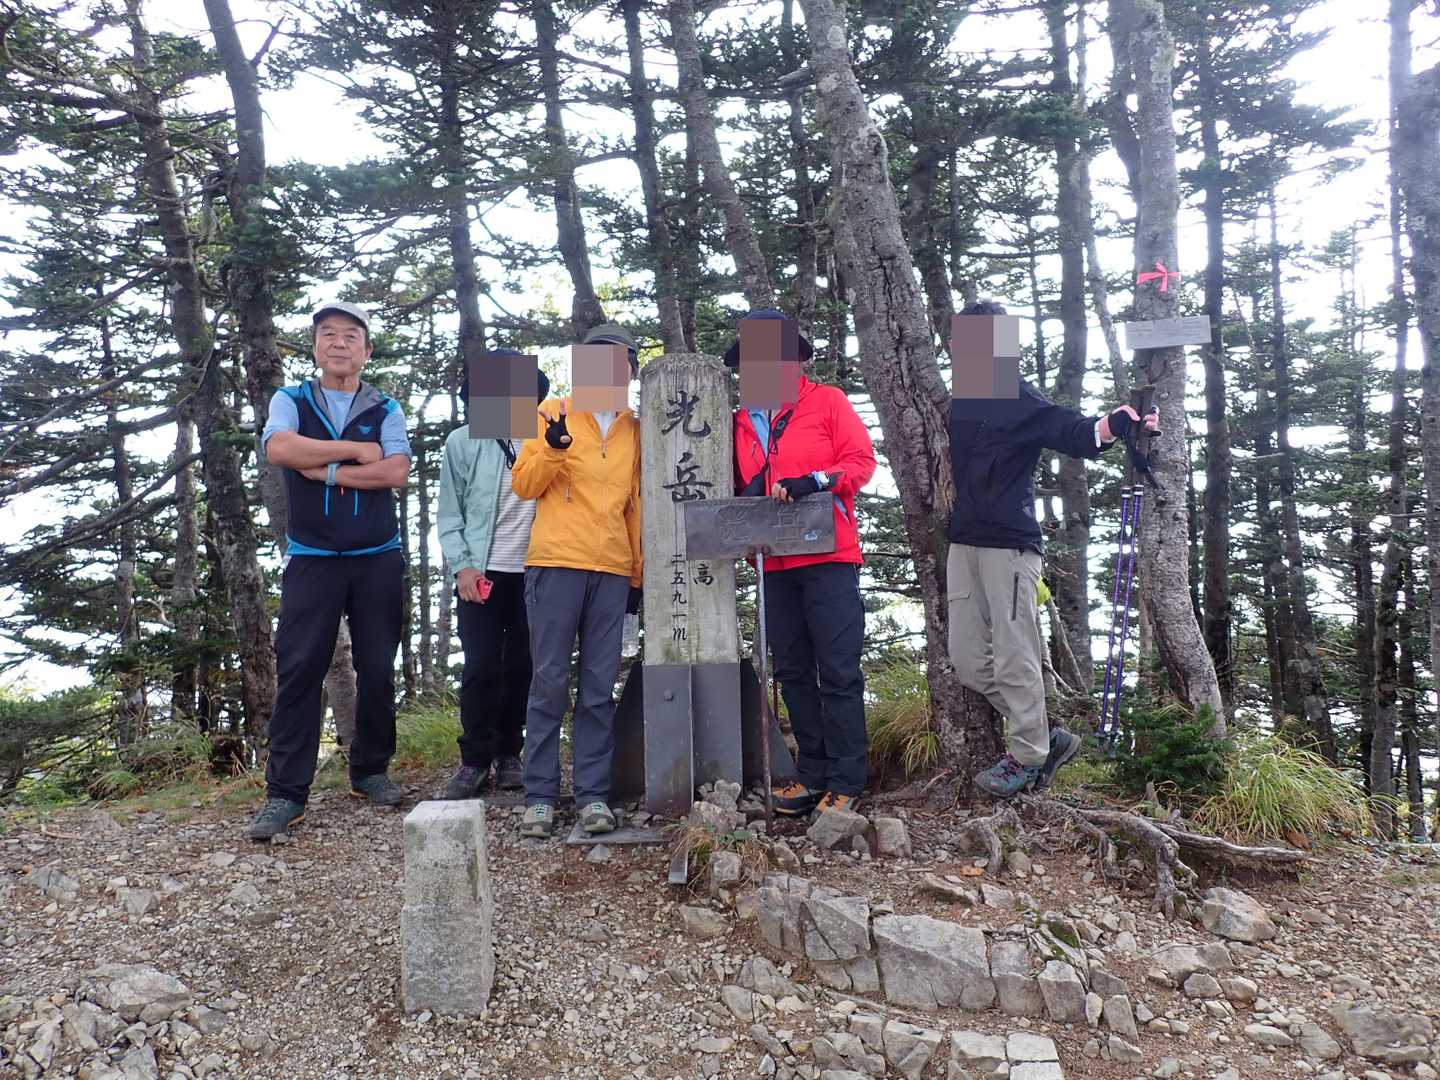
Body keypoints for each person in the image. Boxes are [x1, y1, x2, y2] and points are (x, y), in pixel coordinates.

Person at [947, 300, 1158, 798]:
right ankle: (1045, 736)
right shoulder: (959, 399)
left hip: (1010, 547)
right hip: (963, 542)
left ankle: (1027, 755)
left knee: (1015, 656)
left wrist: (1115, 425)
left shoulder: (1019, 397)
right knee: (967, 661)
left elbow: (1074, 431)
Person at [248, 301, 412, 841]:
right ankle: (285, 794)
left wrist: (325, 472)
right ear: (315, 346)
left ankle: (371, 771)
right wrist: (356, 451)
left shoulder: (386, 406)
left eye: (350, 336)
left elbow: (395, 471)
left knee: (377, 667)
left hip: (377, 554)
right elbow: (280, 448)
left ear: (367, 350)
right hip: (312, 557)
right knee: (299, 668)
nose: (339, 343)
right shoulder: (291, 399)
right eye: (328, 334)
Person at [727, 308, 877, 818]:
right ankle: (812, 772)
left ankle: (847, 778)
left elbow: (861, 462)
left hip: (829, 555)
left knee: (837, 668)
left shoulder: (827, 401)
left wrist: (815, 480)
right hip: (772, 563)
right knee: (791, 669)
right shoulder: (740, 422)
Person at [511, 323, 643, 838]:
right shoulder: (552, 411)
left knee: (597, 687)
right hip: (556, 563)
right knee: (548, 681)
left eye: (617, 362)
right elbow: (524, 485)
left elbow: (635, 506)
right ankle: (540, 796)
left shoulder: (636, 428)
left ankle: (592, 795)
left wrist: (637, 574)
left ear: (630, 371)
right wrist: (553, 449)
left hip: (612, 569)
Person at [435, 352, 551, 798]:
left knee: (523, 666)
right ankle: (474, 760)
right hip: (481, 572)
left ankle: (509, 754)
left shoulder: (547, 438)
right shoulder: (463, 441)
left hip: (536, 572)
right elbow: (450, 513)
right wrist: (462, 566)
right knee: (481, 666)